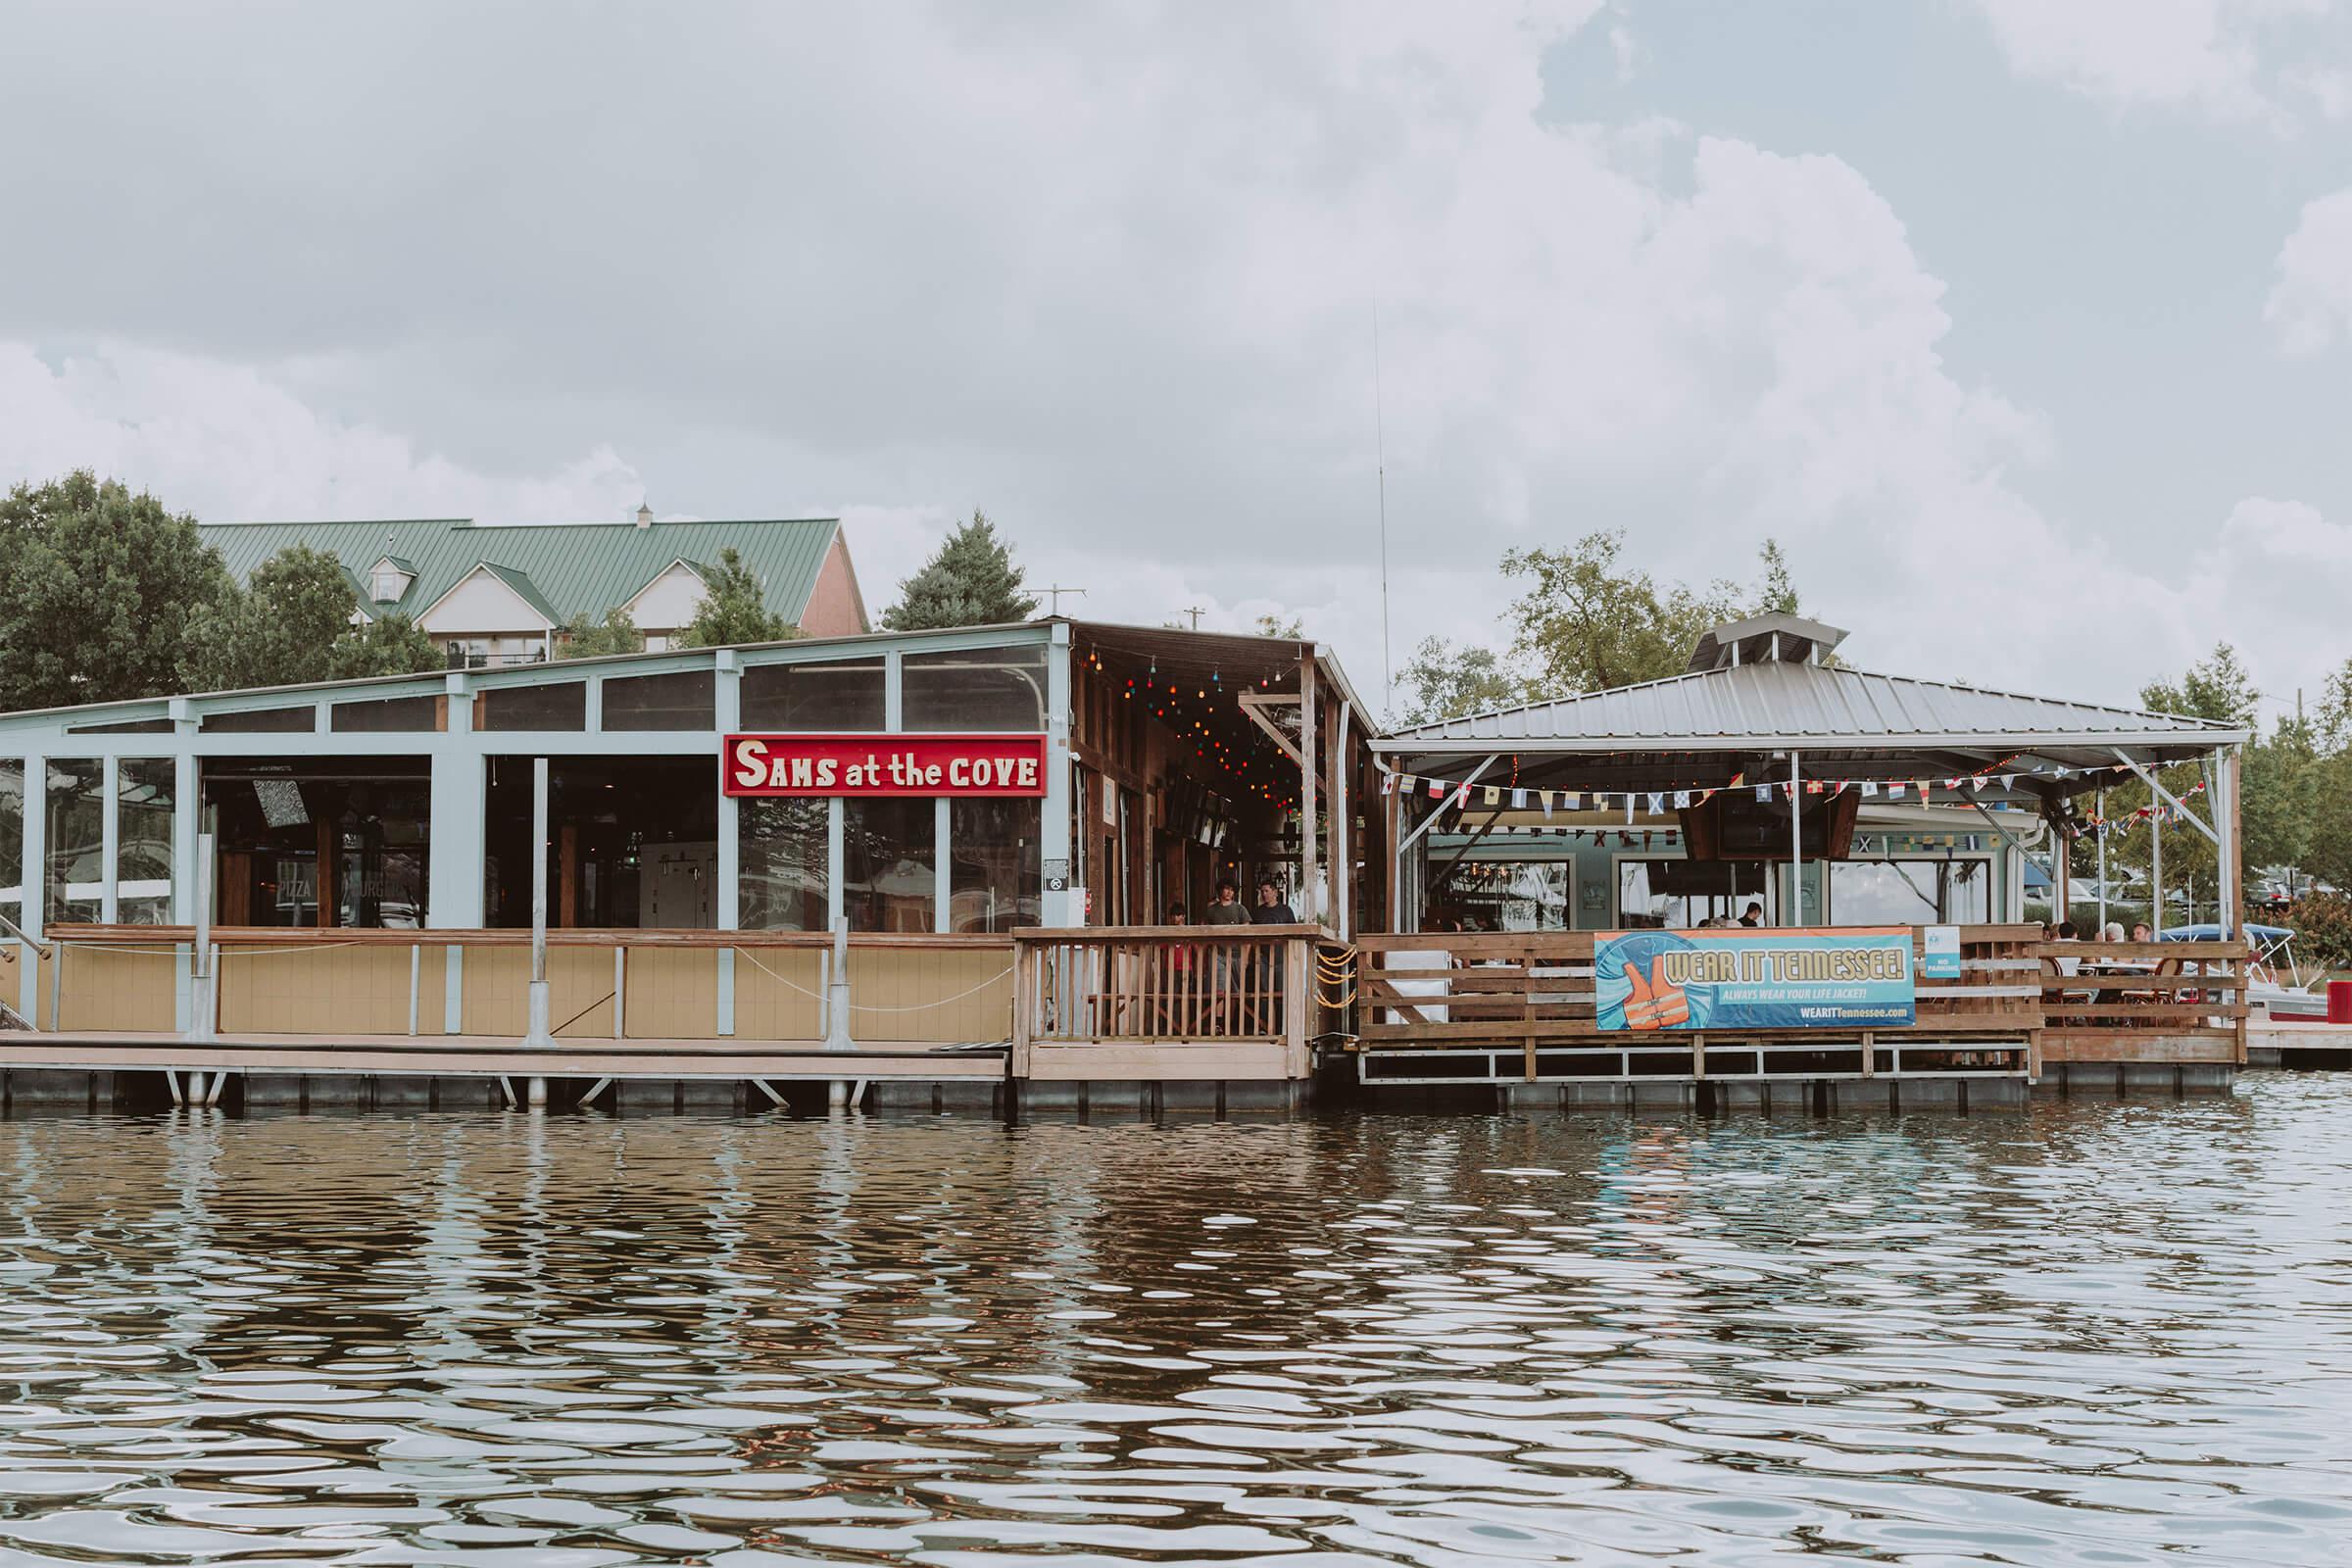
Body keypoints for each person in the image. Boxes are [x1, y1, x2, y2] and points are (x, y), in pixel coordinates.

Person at [1201, 879, 1249, 1030]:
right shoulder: (1212, 910)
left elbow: (1248, 934)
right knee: (1219, 988)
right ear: (1220, 890)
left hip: (1237, 954)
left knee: (1235, 991)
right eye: (1226, 889)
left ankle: (1232, 1022)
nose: (1229, 892)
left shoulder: (1240, 909)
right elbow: (1202, 930)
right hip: (1217, 953)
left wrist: (1246, 957)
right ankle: (1218, 1022)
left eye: (1232, 890)